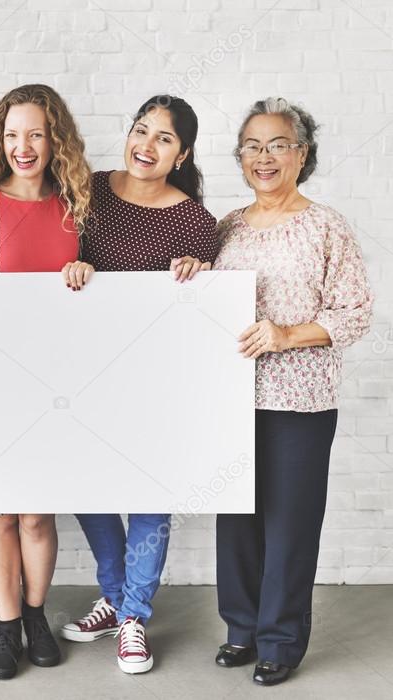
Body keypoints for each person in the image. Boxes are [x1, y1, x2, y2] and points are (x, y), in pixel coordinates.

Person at [213, 97, 372, 687]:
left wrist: (285, 336)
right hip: (232, 396)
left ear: (302, 154)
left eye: (277, 144)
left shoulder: (325, 224)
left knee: (290, 521)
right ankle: (240, 629)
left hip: (302, 398)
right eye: (252, 146)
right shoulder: (226, 226)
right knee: (237, 517)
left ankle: (279, 639)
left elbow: (354, 312)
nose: (264, 156)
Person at [58, 95, 219, 675]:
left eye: (164, 138)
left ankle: (134, 618)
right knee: (89, 487)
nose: (146, 146)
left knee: (150, 496)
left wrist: (199, 276)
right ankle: (117, 595)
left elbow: (203, 313)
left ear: (183, 154)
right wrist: (72, 264)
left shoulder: (197, 222)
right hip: (84, 374)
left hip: (157, 382)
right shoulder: (89, 191)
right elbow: (53, 256)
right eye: (140, 130)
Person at [0, 84, 93, 680]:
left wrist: (89, 269)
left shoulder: (78, 201)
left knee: (36, 513)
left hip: (58, 382)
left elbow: (104, 289)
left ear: (55, 138)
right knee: (0, 514)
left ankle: (36, 616)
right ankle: (6, 633)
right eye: (11, 135)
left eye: (35, 134)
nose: (22, 147)